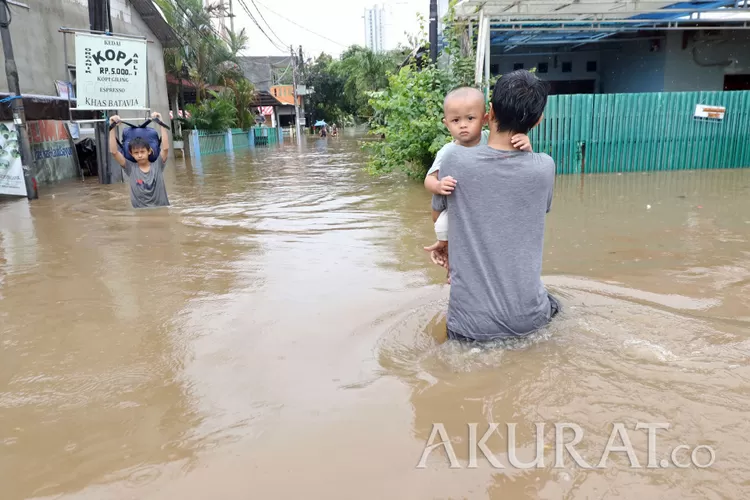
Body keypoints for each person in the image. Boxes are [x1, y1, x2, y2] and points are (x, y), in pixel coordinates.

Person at [430, 70, 560, 342]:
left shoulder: (454, 159)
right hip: (531, 320)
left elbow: (441, 214)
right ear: (537, 121)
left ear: (489, 112)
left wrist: (445, 245)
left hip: (471, 326)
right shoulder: (545, 167)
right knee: (559, 305)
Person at [423, 87, 531, 276]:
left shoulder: (492, 139)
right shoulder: (447, 153)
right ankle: (451, 266)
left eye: (470, 118)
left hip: (485, 205)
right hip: (459, 209)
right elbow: (428, 180)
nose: (463, 125)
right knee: (446, 232)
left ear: (485, 118)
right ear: (446, 124)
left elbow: (518, 165)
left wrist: (525, 145)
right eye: (456, 120)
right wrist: (439, 186)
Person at [109, 112, 170, 208]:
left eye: (142, 152)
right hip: (140, 212)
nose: (140, 155)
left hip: (161, 209)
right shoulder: (130, 167)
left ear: (149, 151)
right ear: (131, 154)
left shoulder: (158, 164)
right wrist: (112, 127)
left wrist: (161, 122)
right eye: (136, 153)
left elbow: (165, 148)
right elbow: (114, 152)